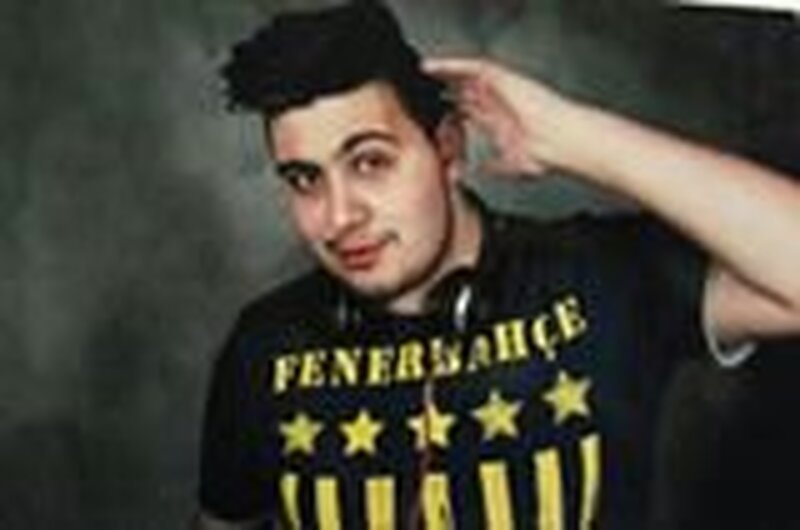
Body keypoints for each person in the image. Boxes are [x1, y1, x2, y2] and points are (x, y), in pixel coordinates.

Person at [195, 1, 800, 528]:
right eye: (305, 179)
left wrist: (573, 136)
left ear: (448, 148)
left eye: (370, 162)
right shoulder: (263, 347)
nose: (339, 216)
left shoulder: (597, 277)